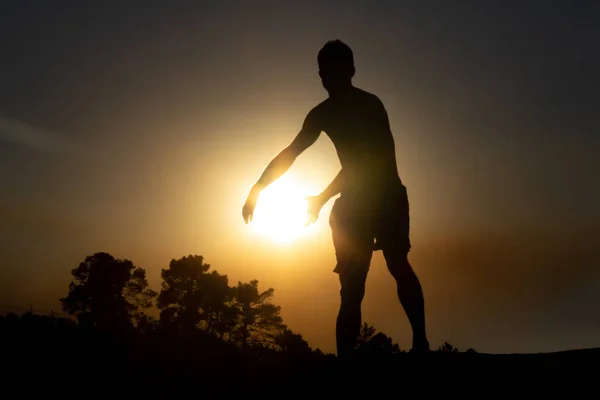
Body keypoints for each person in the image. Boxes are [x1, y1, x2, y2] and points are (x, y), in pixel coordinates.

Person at [242, 39, 429, 358]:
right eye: (323, 71)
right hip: (353, 203)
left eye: (334, 70)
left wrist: (322, 198)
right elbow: (292, 152)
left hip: (387, 198)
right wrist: (257, 188)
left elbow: (369, 162)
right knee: (352, 288)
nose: (327, 77)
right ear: (320, 75)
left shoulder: (371, 105)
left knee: (397, 264)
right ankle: (346, 360)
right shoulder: (322, 114)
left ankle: (421, 343)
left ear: (351, 71)